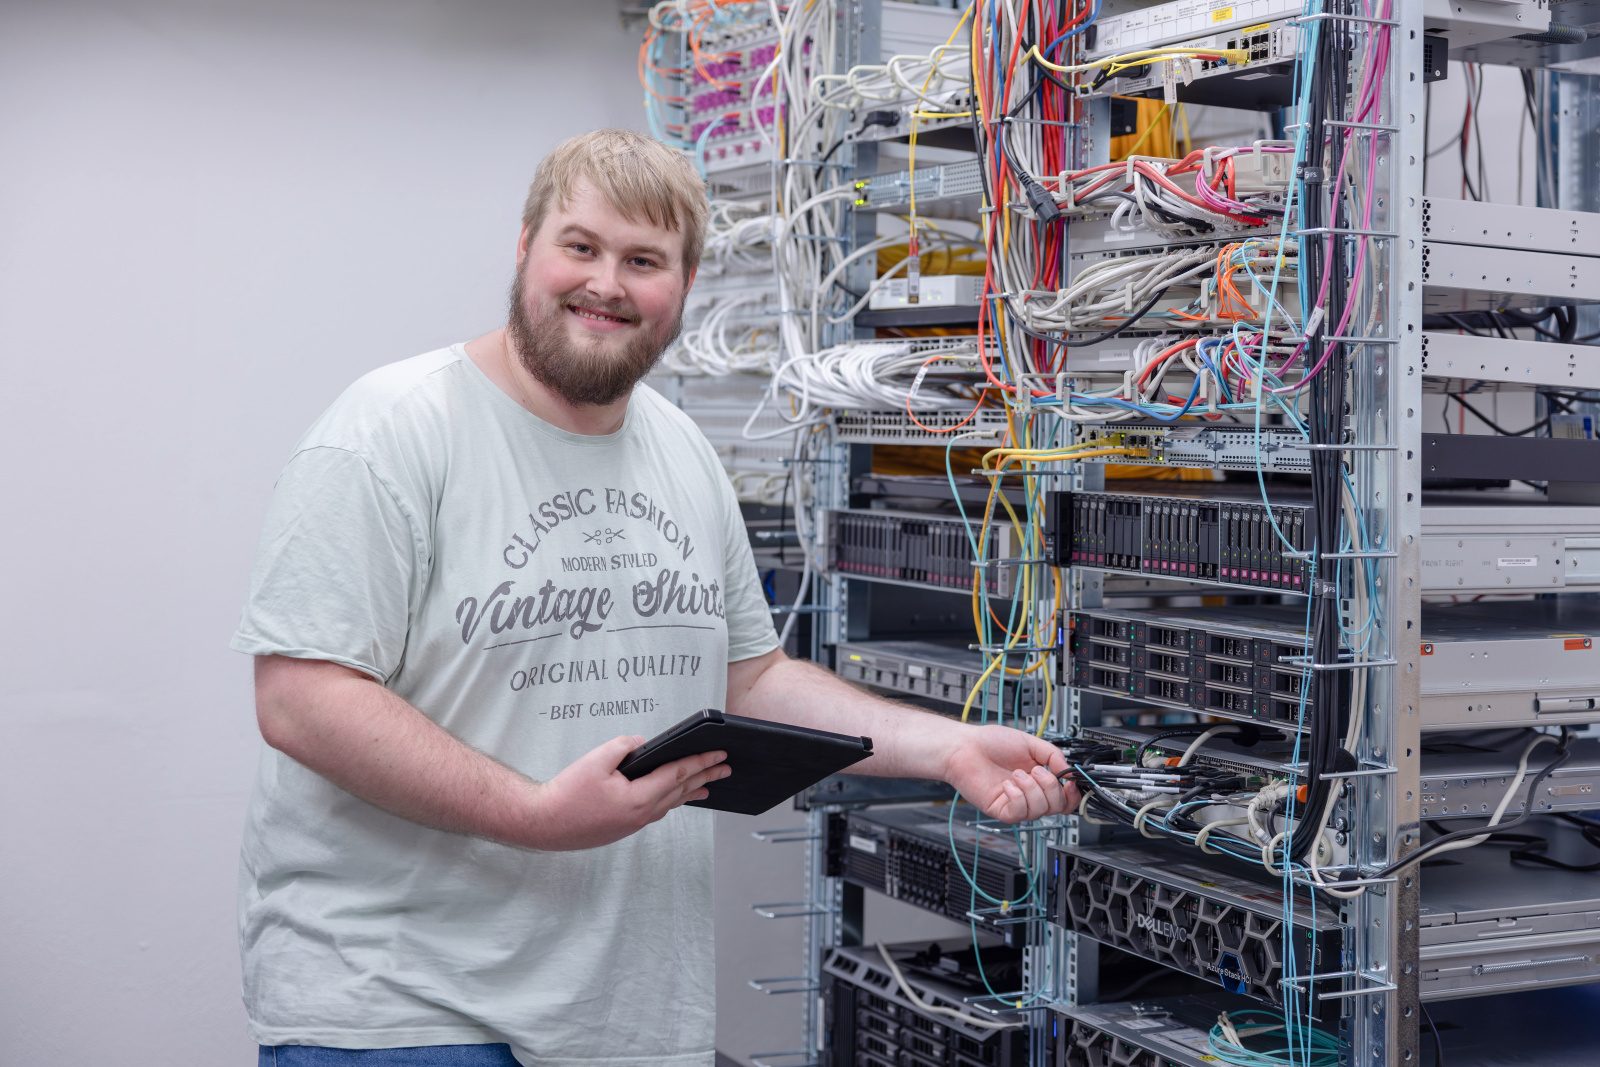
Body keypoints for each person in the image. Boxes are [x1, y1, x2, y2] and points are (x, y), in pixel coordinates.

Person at [232, 128, 1079, 1067]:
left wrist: (949, 746)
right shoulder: (388, 432)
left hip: (621, 1017)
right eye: (581, 246)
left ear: (683, 286)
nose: (606, 283)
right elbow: (301, 698)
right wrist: (533, 814)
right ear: (524, 247)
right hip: (405, 1008)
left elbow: (749, 678)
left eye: (643, 260)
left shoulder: (680, 450)